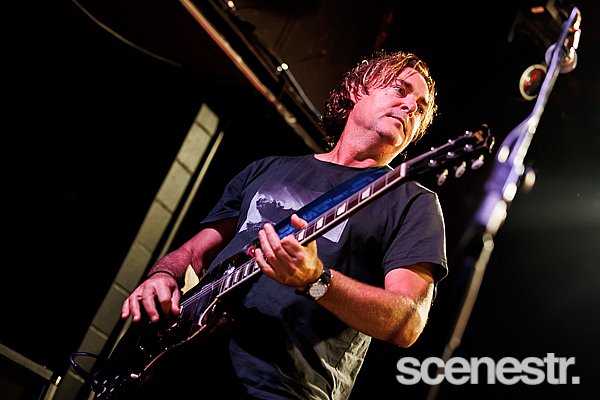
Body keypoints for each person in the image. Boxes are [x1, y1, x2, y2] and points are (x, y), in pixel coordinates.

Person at [119, 50, 447, 399]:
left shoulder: (412, 201)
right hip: (179, 367)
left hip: (281, 389)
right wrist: (162, 275)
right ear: (356, 90)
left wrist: (316, 280)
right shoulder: (267, 169)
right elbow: (193, 253)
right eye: (400, 89)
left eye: (421, 108)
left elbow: (407, 323)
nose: (410, 106)